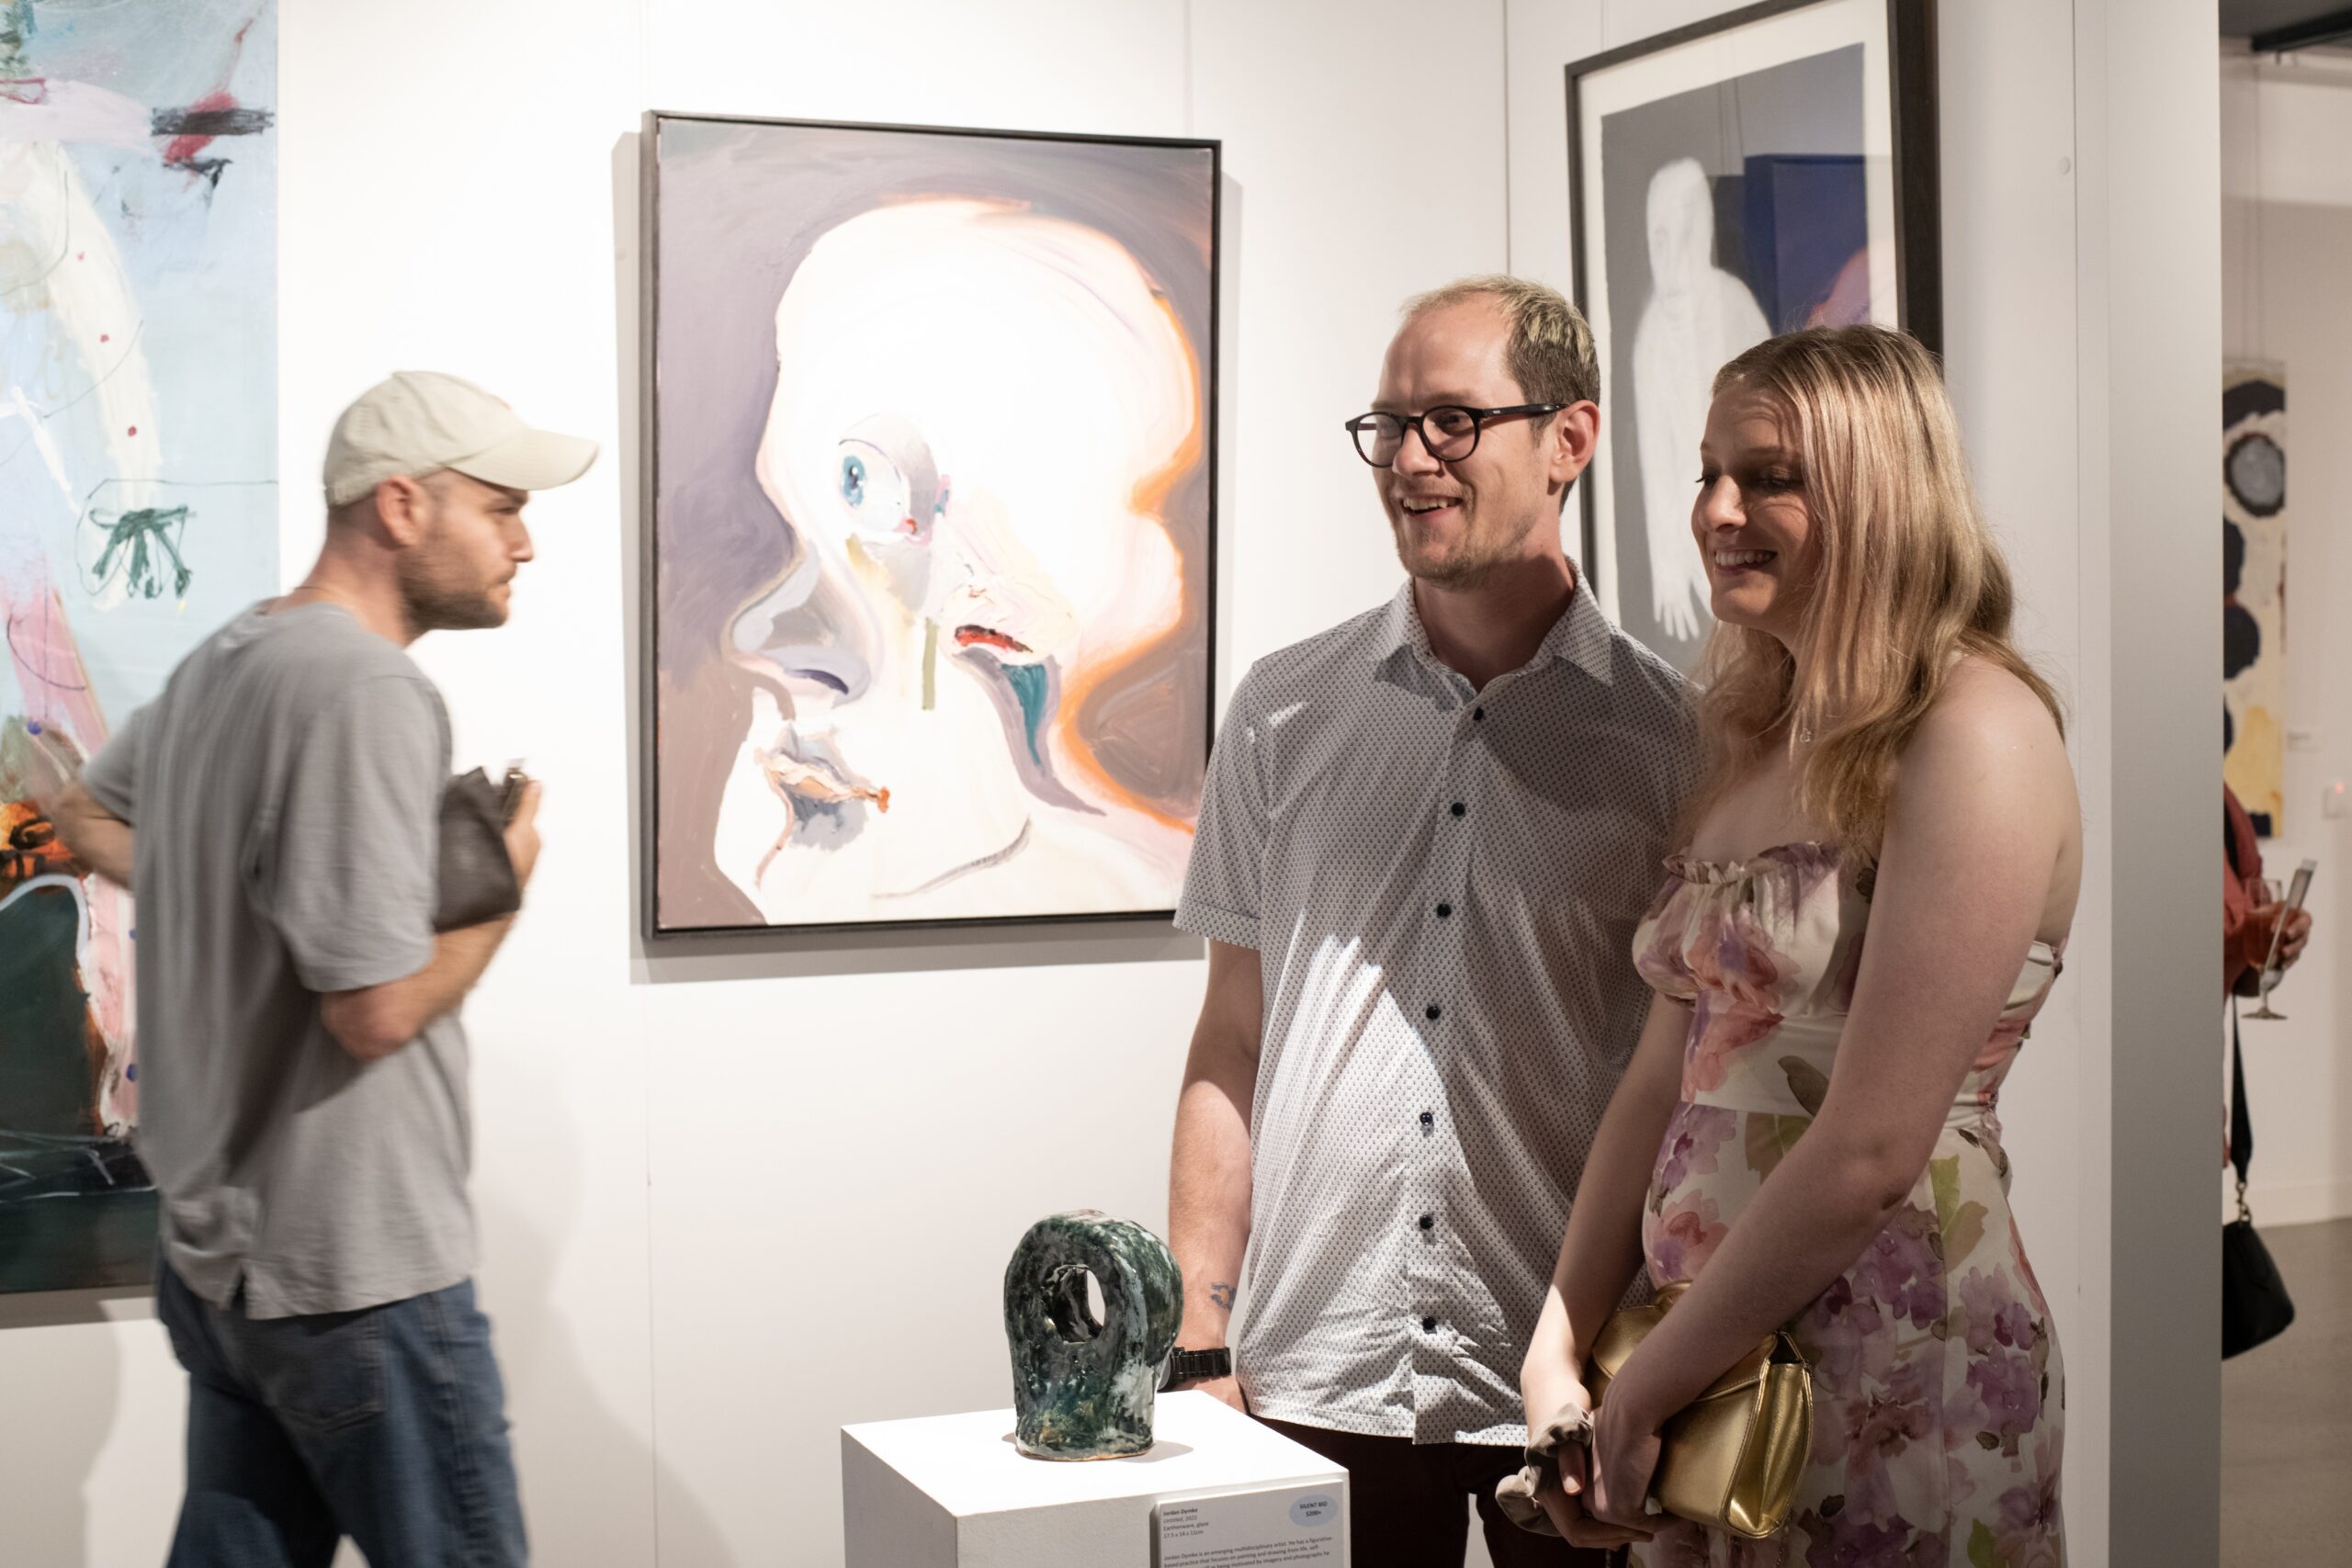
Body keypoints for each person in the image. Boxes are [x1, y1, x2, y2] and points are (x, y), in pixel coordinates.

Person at [1517, 325, 2078, 1564]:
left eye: (1770, 476)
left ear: (1881, 491)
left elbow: (1875, 1150)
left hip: (1885, 1353)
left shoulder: (1974, 733)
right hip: (1698, 1358)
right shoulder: (1750, 738)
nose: (1719, 510)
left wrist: (1653, 1378)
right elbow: (1664, 1075)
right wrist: (1561, 1339)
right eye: (1708, 472)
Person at [1166, 275, 1701, 1568]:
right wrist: (1199, 1337)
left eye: (1452, 421)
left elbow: (1687, 1077)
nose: (1410, 460)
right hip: (1314, 1372)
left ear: (1568, 439)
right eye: (1389, 423)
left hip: (1565, 1382)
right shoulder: (1285, 712)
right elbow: (1231, 1040)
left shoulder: (1676, 744)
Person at [41, 370, 595, 1568]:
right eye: (500, 508)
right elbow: (377, 1009)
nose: (525, 543)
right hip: (360, 1278)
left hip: (226, 1273)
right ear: (401, 506)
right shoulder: (367, 688)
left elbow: (86, 823)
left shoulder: (227, 662)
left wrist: (257, 898)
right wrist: (502, 880)